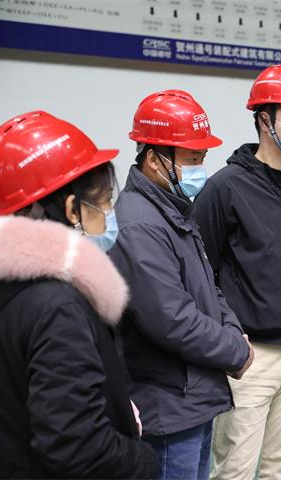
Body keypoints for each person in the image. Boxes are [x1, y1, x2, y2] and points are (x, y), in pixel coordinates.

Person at [0, 110, 159, 478]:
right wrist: (143, 461)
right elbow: (75, 443)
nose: (111, 214)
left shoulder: (9, 287)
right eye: (104, 202)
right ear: (71, 209)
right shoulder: (57, 306)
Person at [194, 65, 281, 479]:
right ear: (264, 120)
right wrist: (229, 335)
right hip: (252, 355)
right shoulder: (225, 187)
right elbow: (202, 272)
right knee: (234, 470)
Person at [108, 90, 252, 480]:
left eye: (201, 158)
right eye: (191, 159)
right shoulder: (139, 224)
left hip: (192, 395)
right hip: (169, 403)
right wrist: (235, 350)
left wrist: (233, 330)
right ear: (154, 159)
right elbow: (171, 318)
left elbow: (209, 286)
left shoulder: (172, 210)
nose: (199, 168)